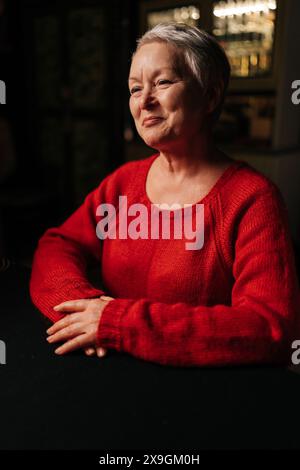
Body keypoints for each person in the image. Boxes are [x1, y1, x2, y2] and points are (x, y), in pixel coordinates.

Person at [30, 22, 300, 366]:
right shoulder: (122, 184)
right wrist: (82, 307)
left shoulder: (252, 199)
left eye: (163, 82)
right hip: (112, 371)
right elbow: (57, 245)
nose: (144, 101)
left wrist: (116, 321)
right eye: (134, 88)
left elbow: (271, 327)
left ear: (211, 95)